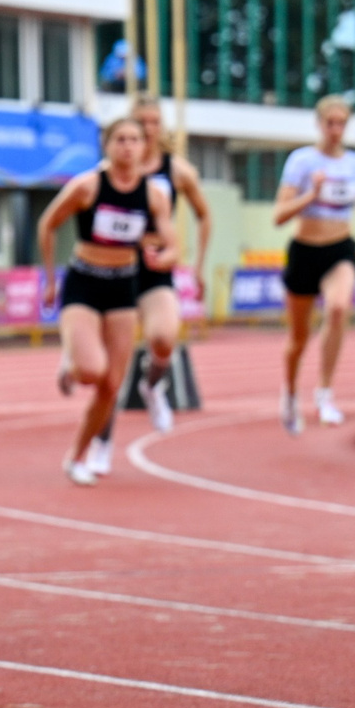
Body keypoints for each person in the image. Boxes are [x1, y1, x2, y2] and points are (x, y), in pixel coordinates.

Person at [37, 117, 179, 485]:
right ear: (107, 145)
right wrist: (50, 279)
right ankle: (71, 364)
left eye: (135, 139)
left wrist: (164, 258)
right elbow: (48, 224)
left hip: (123, 287)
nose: (128, 146)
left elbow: (172, 242)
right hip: (84, 283)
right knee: (91, 371)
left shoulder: (153, 195)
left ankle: (77, 457)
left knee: (111, 386)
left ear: (144, 148)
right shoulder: (86, 186)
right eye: (120, 139)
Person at [87, 95, 213, 463]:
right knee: (112, 365)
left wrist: (198, 264)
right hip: (116, 270)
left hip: (156, 270)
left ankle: (153, 384)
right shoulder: (105, 173)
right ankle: (102, 442)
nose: (147, 130)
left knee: (163, 337)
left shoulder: (177, 172)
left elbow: (204, 215)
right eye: (140, 123)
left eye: (154, 122)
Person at [274, 94, 355, 432]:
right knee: (298, 338)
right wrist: (311, 195)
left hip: (340, 249)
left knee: (338, 309)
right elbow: (279, 215)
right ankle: (289, 393)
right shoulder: (302, 162)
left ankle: (325, 392)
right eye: (330, 123)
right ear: (319, 124)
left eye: (341, 123)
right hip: (305, 250)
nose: (335, 129)